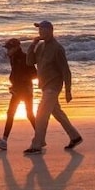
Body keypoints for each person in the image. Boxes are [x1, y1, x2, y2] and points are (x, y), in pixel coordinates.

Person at [23, 19, 83, 154]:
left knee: (41, 114)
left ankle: (37, 144)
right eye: (39, 30)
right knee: (57, 113)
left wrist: (68, 90)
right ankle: (75, 137)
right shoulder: (40, 46)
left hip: (53, 87)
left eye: (42, 29)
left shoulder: (57, 48)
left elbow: (66, 71)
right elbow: (29, 62)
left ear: (50, 31)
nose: (40, 32)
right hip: (44, 86)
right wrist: (33, 44)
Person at [0, 38, 37, 151]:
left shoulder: (25, 58)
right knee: (20, 114)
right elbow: (15, 74)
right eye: (7, 48)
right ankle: (39, 137)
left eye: (9, 48)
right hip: (19, 90)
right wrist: (14, 84)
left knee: (22, 114)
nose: (7, 51)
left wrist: (21, 85)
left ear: (16, 48)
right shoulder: (13, 58)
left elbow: (35, 74)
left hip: (25, 90)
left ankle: (5, 141)